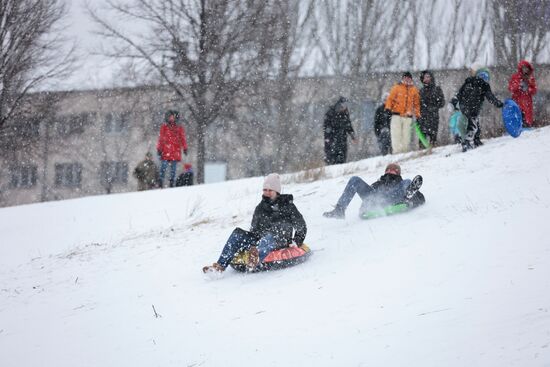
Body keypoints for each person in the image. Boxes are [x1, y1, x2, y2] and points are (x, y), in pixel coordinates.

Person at [202, 173, 307, 273]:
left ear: (277, 192)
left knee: (270, 235)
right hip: (261, 239)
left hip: (280, 239)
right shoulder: (260, 207)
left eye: (270, 190)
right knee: (237, 233)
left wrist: (296, 242)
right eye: (265, 190)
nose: (267, 192)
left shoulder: (287, 206)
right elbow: (254, 229)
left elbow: (301, 226)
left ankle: (255, 259)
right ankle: (220, 266)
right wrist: (250, 240)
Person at [322, 163, 425, 219]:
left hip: (394, 197)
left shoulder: (402, 183)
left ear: (398, 173)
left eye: (393, 169)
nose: (390, 171)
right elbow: (368, 196)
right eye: (388, 169)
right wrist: (364, 208)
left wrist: (411, 203)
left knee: (407, 182)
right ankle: (340, 210)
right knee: (355, 179)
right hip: (376, 198)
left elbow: (421, 199)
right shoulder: (378, 182)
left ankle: (407, 196)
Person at [450, 67, 503, 152]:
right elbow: (460, 93)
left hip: (473, 109)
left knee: (474, 125)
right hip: (465, 108)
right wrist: (454, 100)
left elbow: (490, 97)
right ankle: (466, 141)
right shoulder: (468, 82)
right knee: (464, 125)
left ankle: (475, 139)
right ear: (476, 75)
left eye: (485, 76)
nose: (483, 78)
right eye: (481, 75)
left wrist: (497, 103)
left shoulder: (484, 85)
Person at [384, 72, 421, 154]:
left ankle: (404, 152)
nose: (407, 80)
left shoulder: (414, 90)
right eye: (405, 78)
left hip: (408, 116)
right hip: (396, 115)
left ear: (411, 79)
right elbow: (390, 99)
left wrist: (418, 115)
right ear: (402, 78)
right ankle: (397, 152)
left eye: (409, 78)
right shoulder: (396, 87)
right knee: (396, 135)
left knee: (406, 137)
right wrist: (388, 108)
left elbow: (416, 104)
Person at [156, 110, 188, 187]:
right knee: (163, 167)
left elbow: (183, 138)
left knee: (173, 169)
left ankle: (171, 182)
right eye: (170, 117)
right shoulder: (164, 127)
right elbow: (161, 139)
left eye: (173, 117)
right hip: (166, 151)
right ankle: (161, 181)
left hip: (175, 151)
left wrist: (185, 148)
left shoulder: (179, 128)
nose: (171, 119)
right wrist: (159, 149)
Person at [323, 96, 357, 165]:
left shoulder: (345, 114)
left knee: (342, 155)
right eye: (343, 105)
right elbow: (326, 128)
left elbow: (348, 125)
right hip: (332, 139)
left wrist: (353, 136)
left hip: (342, 138)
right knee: (332, 156)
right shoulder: (330, 113)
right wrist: (327, 138)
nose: (345, 108)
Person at [418, 70, 445, 147]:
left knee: (433, 139)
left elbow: (442, 103)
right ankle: (421, 154)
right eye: (424, 77)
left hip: (433, 116)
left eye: (428, 76)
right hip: (422, 117)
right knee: (422, 139)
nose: (426, 78)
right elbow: (418, 104)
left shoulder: (437, 89)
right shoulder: (420, 91)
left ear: (431, 78)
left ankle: (433, 154)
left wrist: (433, 107)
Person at [508, 60, 537, 128]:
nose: (525, 70)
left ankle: (526, 128)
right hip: (517, 101)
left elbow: (534, 90)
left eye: (526, 68)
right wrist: (519, 86)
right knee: (517, 117)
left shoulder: (531, 78)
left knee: (526, 118)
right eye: (523, 68)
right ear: (521, 68)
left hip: (527, 102)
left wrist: (528, 89)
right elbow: (510, 88)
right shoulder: (515, 77)